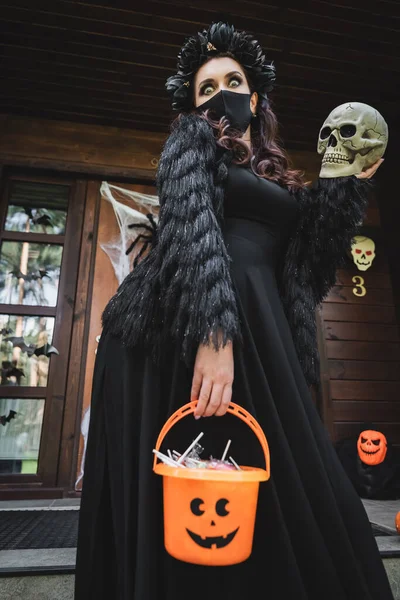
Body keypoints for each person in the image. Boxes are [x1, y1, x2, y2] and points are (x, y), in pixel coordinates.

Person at [74, 22, 393, 600]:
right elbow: (191, 225)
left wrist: (346, 185)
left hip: (260, 326)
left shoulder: (278, 177)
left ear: (254, 98)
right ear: (192, 106)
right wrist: (214, 334)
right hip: (181, 330)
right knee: (191, 483)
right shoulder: (190, 147)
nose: (220, 93)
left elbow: (308, 268)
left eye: (233, 81)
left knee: (283, 478)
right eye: (205, 87)